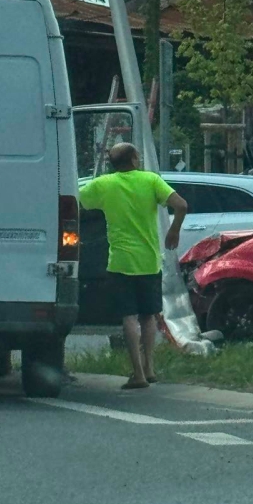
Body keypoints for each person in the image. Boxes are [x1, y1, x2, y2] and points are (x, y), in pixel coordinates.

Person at [79, 142, 188, 390]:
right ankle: (150, 368)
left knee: (128, 317)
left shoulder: (104, 184)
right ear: (136, 159)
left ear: (113, 163)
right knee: (149, 316)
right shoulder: (151, 181)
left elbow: (77, 201)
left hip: (120, 262)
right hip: (149, 261)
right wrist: (174, 230)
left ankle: (137, 372)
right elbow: (181, 205)